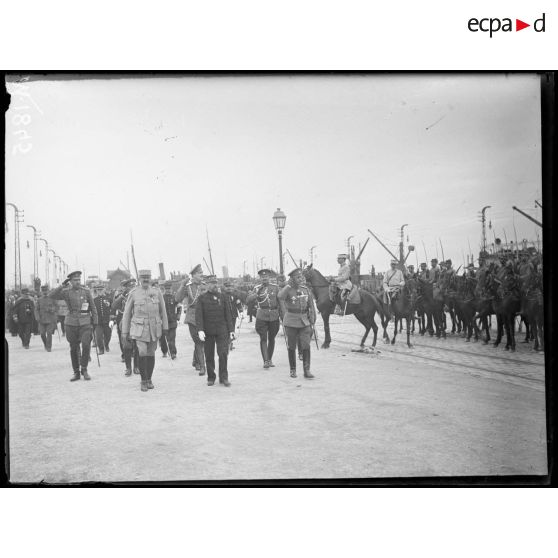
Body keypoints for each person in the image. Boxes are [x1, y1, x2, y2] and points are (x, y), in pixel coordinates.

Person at [121, 269, 169, 392]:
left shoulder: (157, 292)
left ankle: (149, 379)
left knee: (151, 353)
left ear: (151, 278)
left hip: (154, 328)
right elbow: (126, 314)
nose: (146, 279)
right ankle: (143, 380)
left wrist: (165, 328)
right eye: (143, 277)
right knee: (142, 352)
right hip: (139, 329)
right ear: (139, 279)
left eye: (148, 277)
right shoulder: (134, 293)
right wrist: (125, 332)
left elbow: (163, 311)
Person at [49, 271, 98, 381]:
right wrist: (62, 286)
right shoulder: (66, 292)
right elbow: (51, 296)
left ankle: (84, 369)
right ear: (70, 281)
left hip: (85, 322)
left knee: (86, 345)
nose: (77, 282)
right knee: (73, 348)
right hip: (71, 323)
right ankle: (76, 372)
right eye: (75, 280)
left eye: (79, 280)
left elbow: (93, 307)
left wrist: (95, 321)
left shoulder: (86, 291)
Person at [195, 275, 234, 387]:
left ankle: (224, 377)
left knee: (223, 354)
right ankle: (211, 377)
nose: (214, 285)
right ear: (207, 285)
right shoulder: (202, 298)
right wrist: (200, 330)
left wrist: (231, 330)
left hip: (222, 330)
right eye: (211, 283)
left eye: (216, 282)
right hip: (208, 331)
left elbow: (228, 315)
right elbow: (199, 316)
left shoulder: (223, 297)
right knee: (209, 355)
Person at [278, 268, 317, 379]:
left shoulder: (305, 289)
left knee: (306, 345)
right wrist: (288, 286)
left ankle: (307, 370)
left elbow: (311, 305)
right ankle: (293, 370)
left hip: (304, 321)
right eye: (298, 277)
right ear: (292, 279)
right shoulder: (288, 289)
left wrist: (313, 318)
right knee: (291, 346)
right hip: (291, 321)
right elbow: (280, 297)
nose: (301, 279)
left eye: (301, 277)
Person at [175, 264, 206, 375]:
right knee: (198, 341)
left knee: (202, 341)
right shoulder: (188, 286)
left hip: (204, 316)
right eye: (199, 273)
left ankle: (196, 360)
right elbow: (177, 299)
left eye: (202, 272)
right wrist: (182, 285)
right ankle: (203, 367)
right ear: (193, 275)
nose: (202, 274)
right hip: (192, 316)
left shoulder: (204, 285)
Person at [251, 269, 281, 369]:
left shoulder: (276, 288)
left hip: (273, 315)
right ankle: (266, 361)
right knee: (263, 338)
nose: (264, 278)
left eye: (266, 276)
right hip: (261, 316)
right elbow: (248, 300)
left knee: (271, 338)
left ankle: (270, 359)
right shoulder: (257, 288)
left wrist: (282, 316)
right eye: (262, 277)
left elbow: (280, 302)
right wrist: (255, 294)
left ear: (269, 277)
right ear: (260, 278)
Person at [111, 278, 140, 375]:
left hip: (136, 322)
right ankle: (128, 368)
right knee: (126, 345)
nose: (132, 288)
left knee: (137, 345)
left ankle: (136, 366)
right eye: (130, 286)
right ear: (126, 287)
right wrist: (122, 296)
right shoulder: (121, 296)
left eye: (134, 286)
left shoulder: (139, 295)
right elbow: (114, 306)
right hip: (124, 322)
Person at [34, 284, 58, 351]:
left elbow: (57, 307)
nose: (45, 292)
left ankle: (49, 347)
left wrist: (52, 309)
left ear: (48, 291)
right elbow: (36, 309)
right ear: (41, 292)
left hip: (50, 319)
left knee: (49, 333)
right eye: (43, 291)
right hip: (41, 320)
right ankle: (46, 344)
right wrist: (37, 317)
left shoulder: (52, 298)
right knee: (42, 334)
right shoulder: (39, 300)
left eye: (46, 291)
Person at [223, 279, 243, 352]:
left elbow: (238, 304)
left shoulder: (235, 295)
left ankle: (230, 343)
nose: (229, 288)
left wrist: (241, 312)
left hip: (233, 315)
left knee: (232, 329)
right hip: (224, 316)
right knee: (226, 330)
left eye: (230, 286)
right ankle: (227, 343)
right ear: (224, 287)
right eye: (227, 286)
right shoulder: (222, 295)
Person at [160, 281, 179, 359]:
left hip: (173, 321)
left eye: (169, 289)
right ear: (164, 289)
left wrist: (178, 315)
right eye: (166, 289)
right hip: (165, 322)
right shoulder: (162, 298)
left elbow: (179, 307)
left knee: (172, 338)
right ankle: (172, 353)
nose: (168, 290)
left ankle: (173, 352)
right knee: (168, 339)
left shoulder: (174, 297)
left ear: (171, 289)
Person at [93, 283, 113, 354]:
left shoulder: (109, 299)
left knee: (108, 335)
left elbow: (112, 309)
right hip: (98, 322)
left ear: (104, 290)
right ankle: (101, 349)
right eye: (98, 290)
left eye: (101, 290)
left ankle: (106, 345)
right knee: (98, 336)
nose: (100, 291)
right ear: (96, 291)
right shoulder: (94, 300)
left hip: (107, 321)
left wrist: (113, 319)